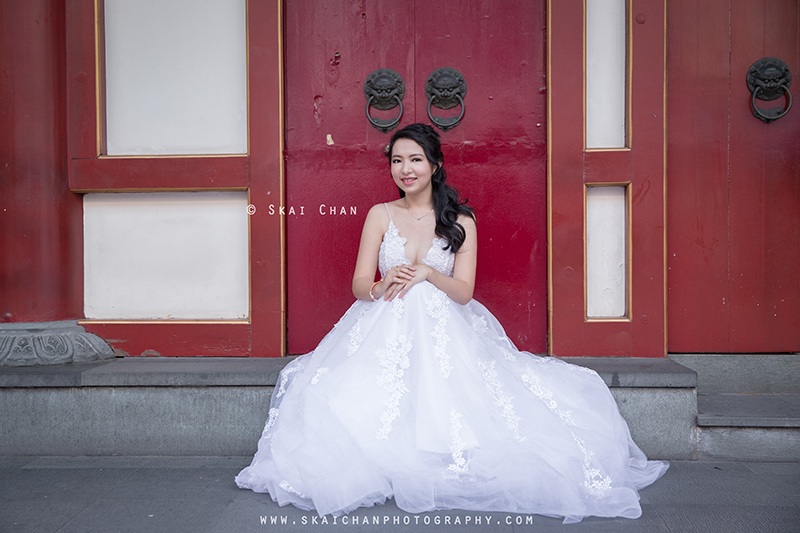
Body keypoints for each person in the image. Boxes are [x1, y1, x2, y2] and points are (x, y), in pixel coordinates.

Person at [235, 123, 668, 524]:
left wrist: (427, 274)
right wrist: (383, 283)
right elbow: (359, 284)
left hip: (444, 330)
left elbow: (463, 292)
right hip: (383, 324)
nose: (405, 169)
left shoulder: (460, 220)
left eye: (415, 159)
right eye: (397, 161)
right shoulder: (379, 214)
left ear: (435, 165)